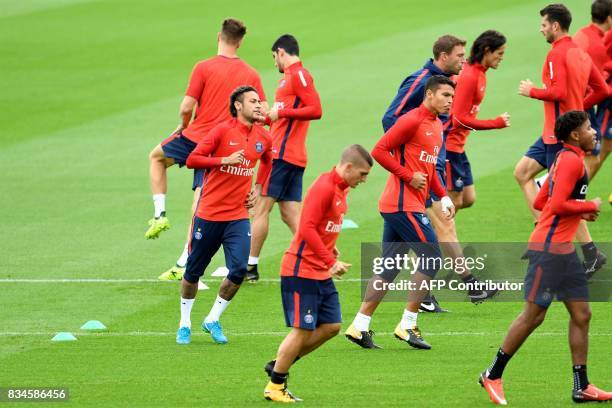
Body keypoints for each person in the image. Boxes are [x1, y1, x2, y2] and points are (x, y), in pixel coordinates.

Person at [479, 111, 611, 405]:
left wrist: (576, 208)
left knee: (582, 315)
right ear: (575, 135)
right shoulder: (572, 161)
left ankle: (582, 386)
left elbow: (541, 200)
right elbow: (560, 202)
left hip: (563, 251)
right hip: (549, 251)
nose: (594, 132)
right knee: (533, 316)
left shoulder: (564, 159)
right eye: (589, 127)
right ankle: (492, 374)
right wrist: (587, 205)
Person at [146, 18, 267, 282]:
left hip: (198, 137)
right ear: (240, 41)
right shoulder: (251, 74)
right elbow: (262, 110)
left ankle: (162, 218)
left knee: (157, 158)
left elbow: (186, 106)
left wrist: (182, 126)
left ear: (218, 37)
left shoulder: (204, 67)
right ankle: (186, 259)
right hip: (225, 140)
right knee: (200, 203)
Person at [344, 76, 456, 350]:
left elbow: (431, 170)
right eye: (444, 95)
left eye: (452, 97)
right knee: (432, 256)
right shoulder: (412, 120)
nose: (449, 101)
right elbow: (379, 151)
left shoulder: (436, 126)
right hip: (403, 204)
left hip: (402, 205)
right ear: (429, 95)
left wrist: (442, 196)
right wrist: (407, 176)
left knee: (390, 266)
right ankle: (407, 324)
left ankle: (359, 326)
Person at [262, 144, 372, 403]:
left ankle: (280, 363)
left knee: (332, 326)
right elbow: (307, 228)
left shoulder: (342, 190)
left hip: (320, 271)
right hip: (301, 270)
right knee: (301, 329)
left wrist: (332, 256)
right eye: (363, 174)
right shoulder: (324, 187)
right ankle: (275, 385)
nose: (364, 180)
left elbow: (324, 229)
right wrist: (329, 261)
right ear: (348, 167)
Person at [382, 34, 477, 313]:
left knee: (399, 250)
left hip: (429, 168)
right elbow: (390, 118)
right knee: (430, 237)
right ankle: (466, 285)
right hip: (417, 172)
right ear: (443, 56)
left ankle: (367, 320)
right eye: (460, 55)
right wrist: (408, 161)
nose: (464, 60)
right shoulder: (421, 81)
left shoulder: (445, 84)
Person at [513, 4, 607, 279]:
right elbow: (602, 89)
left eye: (544, 24)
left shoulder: (556, 53)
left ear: (555, 25)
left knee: (562, 195)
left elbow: (558, 91)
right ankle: (541, 231)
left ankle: (586, 252)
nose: (541, 28)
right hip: (552, 132)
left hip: (559, 135)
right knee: (522, 173)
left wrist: (532, 91)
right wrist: (579, 108)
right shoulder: (580, 51)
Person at [175, 86, 272, 345]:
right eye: (253, 101)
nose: (259, 105)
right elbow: (193, 159)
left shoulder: (263, 136)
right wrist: (223, 161)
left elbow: (267, 162)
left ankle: (212, 319)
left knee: (239, 268)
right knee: (193, 272)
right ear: (238, 106)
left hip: (237, 216)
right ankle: (184, 322)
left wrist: (258, 189)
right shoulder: (221, 130)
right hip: (208, 214)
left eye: (260, 101)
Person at [247, 34, 322, 282]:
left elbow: (316, 110)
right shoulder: (287, 80)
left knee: (259, 209)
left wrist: (281, 113)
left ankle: (249, 267)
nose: (274, 63)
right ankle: (320, 257)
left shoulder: (299, 74)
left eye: (274, 57)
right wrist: (265, 117)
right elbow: (282, 116)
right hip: (292, 155)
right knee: (290, 214)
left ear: (281, 52)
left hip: (281, 154)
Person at [445, 30, 511, 210]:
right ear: (487, 50)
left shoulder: (479, 73)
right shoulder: (470, 76)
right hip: (450, 144)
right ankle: (432, 236)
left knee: (467, 198)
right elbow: (459, 119)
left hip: (458, 145)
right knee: (453, 202)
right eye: (500, 53)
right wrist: (495, 123)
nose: (502, 58)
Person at [573, 0, 612, 179]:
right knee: (591, 156)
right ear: (609, 19)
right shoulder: (599, 44)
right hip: (584, 104)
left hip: (577, 102)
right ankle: (567, 196)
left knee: (593, 155)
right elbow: (598, 86)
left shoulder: (581, 34)